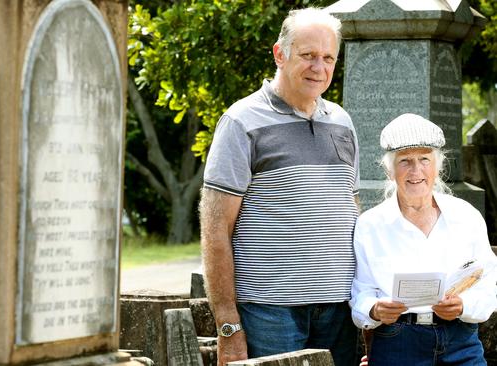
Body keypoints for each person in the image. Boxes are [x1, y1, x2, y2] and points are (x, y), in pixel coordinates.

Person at [199, 7, 359, 366]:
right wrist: (228, 327)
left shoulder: (343, 123)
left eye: (328, 57)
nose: (319, 67)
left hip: (340, 310)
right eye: (308, 55)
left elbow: (351, 210)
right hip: (269, 312)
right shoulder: (240, 122)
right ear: (279, 54)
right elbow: (214, 230)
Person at [350, 113, 497, 365]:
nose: (416, 170)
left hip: (460, 340)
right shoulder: (370, 225)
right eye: (405, 161)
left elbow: (488, 285)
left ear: (438, 166)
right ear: (389, 169)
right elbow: (361, 292)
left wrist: (463, 305)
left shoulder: (466, 216)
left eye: (425, 160)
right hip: (398, 340)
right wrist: (375, 309)